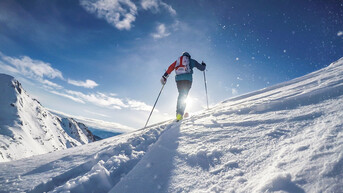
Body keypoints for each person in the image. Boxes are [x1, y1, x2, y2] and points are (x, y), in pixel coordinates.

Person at [160, 52, 206, 121]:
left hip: (179, 80)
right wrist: (204, 65)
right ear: (189, 56)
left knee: (181, 94)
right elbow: (202, 68)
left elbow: (171, 67)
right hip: (188, 80)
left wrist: (165, 76)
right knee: (184, 95)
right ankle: (180, 114)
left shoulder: (178, 61)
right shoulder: (191, 61)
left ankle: (179, 113)